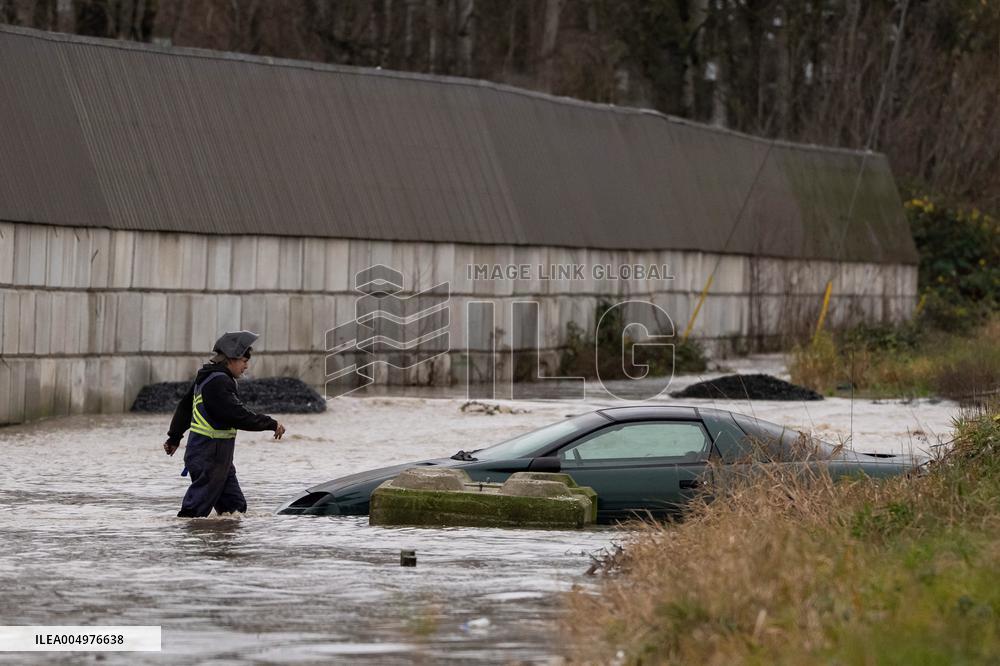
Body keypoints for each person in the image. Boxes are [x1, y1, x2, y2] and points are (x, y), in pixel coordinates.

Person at [163, 330, 286, 518]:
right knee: (194, 513)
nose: (246, 367)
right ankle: (185, 542)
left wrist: (174, 437)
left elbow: (185, 408)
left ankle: (221, 544)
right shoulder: (218, 382)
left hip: (217, 457)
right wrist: (270, 423)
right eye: (244, 362)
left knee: (234, 510)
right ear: (231, 359)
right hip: (209, 456)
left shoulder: (209, 378)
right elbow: (236, 415)